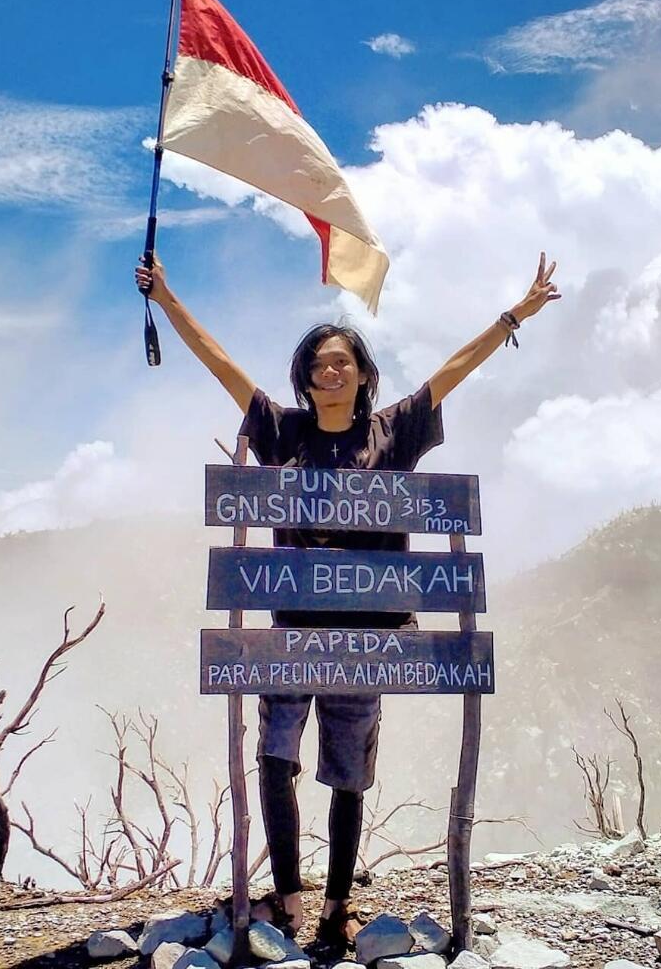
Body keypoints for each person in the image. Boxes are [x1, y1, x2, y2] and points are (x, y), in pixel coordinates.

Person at [134, 253, 561, 953]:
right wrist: (169, 299)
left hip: (371, 635)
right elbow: (219, 363)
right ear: (303, 379)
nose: (328, 373)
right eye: (316, 366)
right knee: (275, 759)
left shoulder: (390, 433)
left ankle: (337, 905)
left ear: (362, 374)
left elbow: (450, 371)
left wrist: (514, 316)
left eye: (340, 363)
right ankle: (290, 901)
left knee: (347, 774)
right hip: (291, 631)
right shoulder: (283, 433)